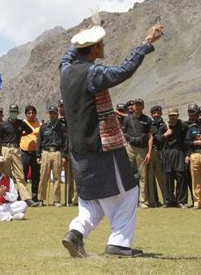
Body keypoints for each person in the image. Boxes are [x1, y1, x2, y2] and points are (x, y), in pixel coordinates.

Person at [59, 21, 164, 258]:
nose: (103, 45)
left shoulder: (65, 71)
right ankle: (119, 244)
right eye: (100, 43)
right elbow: (124, 70)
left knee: (91, 198)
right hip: (102, 146)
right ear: (94, 48)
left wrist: (86, 33)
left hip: (78, 149)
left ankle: (75, 233)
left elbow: (67, 55)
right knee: (129, 192)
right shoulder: (93, 74)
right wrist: (146, 43)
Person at [0, 104, 37, 207]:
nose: (13, 113)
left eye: (15, 111)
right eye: (12, 111)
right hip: (5, 148)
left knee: (20, 174)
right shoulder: (3, 124)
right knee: (6, 174)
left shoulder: (21, 123)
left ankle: (26, 198)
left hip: (16, 148)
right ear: (9, 112)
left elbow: (30, 130)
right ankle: (6, 197)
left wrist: (19, 134)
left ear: (17, 112)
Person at [123, 98, 153, 208]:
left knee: (143, 175)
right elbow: (123, 134)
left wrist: (149, 152)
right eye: (136, 105)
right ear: (133, 106)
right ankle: (127, 200)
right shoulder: (127, 119)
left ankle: (142, 201)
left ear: (143, 107)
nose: (138, 107)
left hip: (142, 149)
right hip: (130, 148)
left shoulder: (147, 119)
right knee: (128, 174)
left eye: (140, 105)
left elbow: (150, 136)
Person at [36, 104, 66, 206]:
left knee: (57, 177)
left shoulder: (61, 127)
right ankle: (41, 199)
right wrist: (38, 155)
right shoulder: (44, 126)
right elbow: (39, 141)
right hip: (45, 152)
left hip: (57, 152)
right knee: (44, 176)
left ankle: (56, 200)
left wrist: (64, 156)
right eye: (50, 113)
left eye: (54, 113)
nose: (52, 115)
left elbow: (65, 142)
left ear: (57, 114)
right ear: (48, 114)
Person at [161, 108, 188, 208]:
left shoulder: (184, 126)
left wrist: (187, 154)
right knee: (168, 177)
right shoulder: (164, 126)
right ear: (168, 116)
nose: (173, 117)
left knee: (181, 176)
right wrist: (165, 134)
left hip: (179, 153)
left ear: (178, 115)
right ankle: (168, 201)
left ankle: (180, 201)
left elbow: (187, 141)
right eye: (171, 115)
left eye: (174, 115)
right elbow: (157, 139)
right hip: (167, 153)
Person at [185, 106, 201, 209]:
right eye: (198, 115)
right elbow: (186, 142)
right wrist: (195, 142)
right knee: (195, 180)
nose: (200, 117)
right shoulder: (192, 128)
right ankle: (197, 201)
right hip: (195, 155)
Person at [20, 105, 41, 202]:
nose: (31, 115)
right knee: (23, 174)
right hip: (24, 152)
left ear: (35, 113)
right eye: (29, 113)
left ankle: (34, 195)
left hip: (35, 153)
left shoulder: (39, 124)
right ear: (26, 114)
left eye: (33, 113)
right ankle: (23, 196)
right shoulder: (22, 123)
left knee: (35, 175)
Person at [148, 105, 166, 207]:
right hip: (151, 152)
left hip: (160, 153)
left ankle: (166, 200)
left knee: (161, 178)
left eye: (158, 113)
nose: (156, 115)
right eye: (154, 113)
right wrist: (165, 135)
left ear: (161, 114)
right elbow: (156, 138)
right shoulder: (149, 124)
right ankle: (152, 201)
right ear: (151, 114)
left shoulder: (164, 125)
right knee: (150, 178)